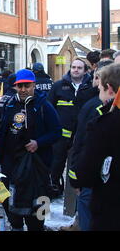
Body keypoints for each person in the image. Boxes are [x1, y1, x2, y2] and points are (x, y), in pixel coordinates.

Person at [0, 69, 61, 231]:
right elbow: (2, 132)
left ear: (34, 85)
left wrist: (38, 142)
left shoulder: (44, 105)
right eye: (20, 86)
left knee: (39, 210)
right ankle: (16, 226)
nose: (23, 89)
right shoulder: (9, 104)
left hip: (38, 167)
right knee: (9, 202)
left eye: (27, 85)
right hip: (12, 166)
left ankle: (39, 227)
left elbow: (56, 132)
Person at [67, 59, 114, 231]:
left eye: (98, 83)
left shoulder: (102, 114)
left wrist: (78, 179)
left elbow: (84, 146)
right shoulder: (93, 105)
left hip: (100, 184)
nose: (95, 86)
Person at [47, 58, 97, 198]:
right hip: (61, 135)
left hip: (83, 134)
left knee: (80, 162)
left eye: (79, 68)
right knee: (56, 162)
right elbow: (49, 108)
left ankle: (78, 188)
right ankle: (54, 186)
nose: (75, 70)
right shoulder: (58, 86)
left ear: (85, 70)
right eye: (73, 67)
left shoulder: (91, 87)